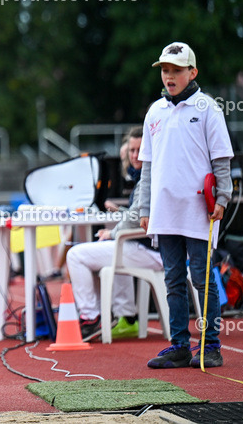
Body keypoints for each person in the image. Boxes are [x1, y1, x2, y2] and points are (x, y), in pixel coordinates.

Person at [138, 42, 233, 369]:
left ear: (192, 72)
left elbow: (221, 160)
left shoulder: (208, 107)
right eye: (165, 70)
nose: (170, 76)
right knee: (173, 279)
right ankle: (179, 345)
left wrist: (223, 197)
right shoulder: (155, 111)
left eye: (176, 70)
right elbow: (147, 167)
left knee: (202, 279)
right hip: (164, 211)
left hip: (198, 210)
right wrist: (143, 208)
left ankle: (211, 346)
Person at [68, 128, 162, 340]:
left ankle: (90, 317)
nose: (136, 155)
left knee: (76, 255)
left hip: (154, 249)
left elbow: (136, 218)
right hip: (152, 247)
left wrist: (112, 234)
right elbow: (138, 214)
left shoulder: (149, 178)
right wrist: (119, 217)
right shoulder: (146, 176)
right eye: (132, 150)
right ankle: (127, 318)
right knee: (114, 252)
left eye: (140, 150)